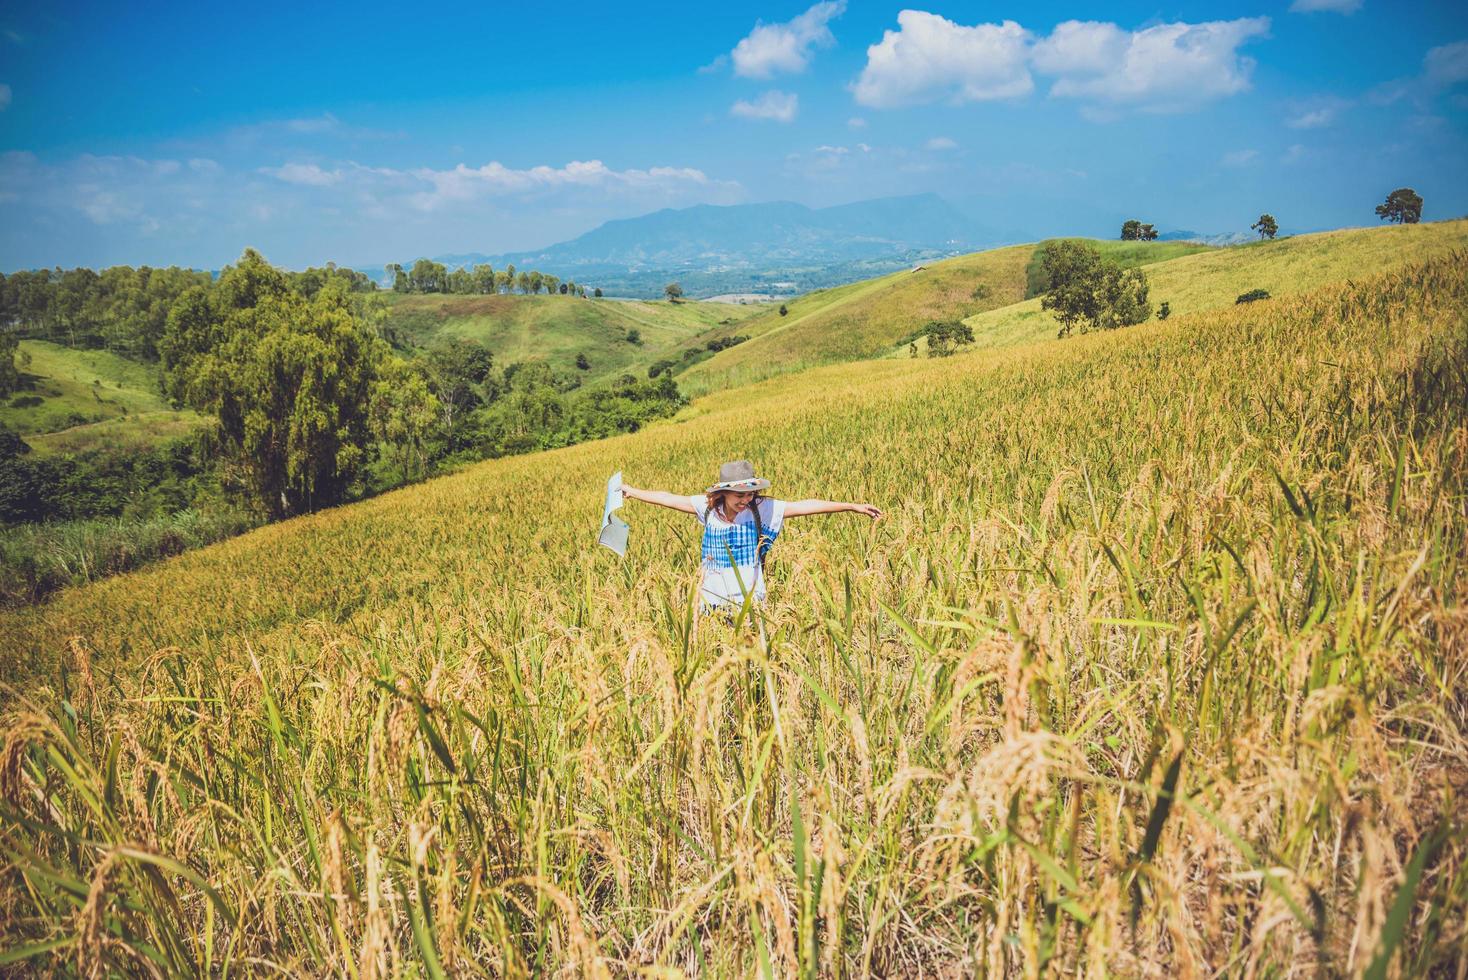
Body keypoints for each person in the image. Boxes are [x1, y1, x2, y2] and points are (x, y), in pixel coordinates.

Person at [621, 460, 882, 610]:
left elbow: (804, 506)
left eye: (750, 494)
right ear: (722, 493)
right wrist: (632, 491)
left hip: (751, 601)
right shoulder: (707, 509)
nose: (746, 500)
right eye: (739, 495)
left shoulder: (762, 510)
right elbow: (667, 498)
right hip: (711, 601)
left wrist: (851, 506)